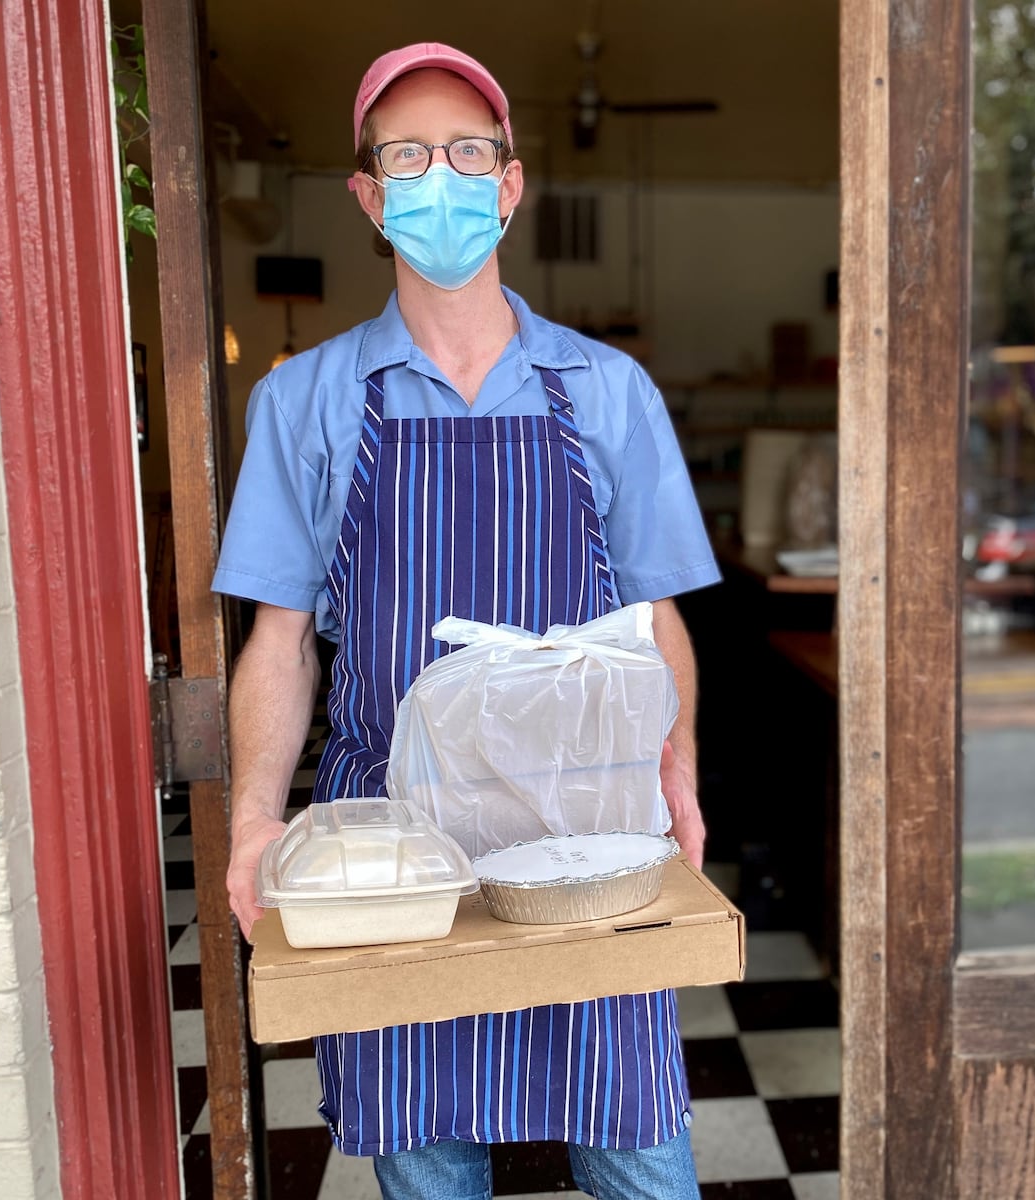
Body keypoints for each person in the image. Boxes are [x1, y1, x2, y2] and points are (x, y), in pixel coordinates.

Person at [212, 42, 720, 1199]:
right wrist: (252, 828)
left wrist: (677, 777)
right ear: (368, 196)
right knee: (430, 1167)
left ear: (508, 183)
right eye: (405, 153)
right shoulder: (306, 400)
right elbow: (280, 644)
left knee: (638, 1151)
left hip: (587, 833)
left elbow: (654, 621)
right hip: (394, 855)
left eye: (466, 150)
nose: (438, 175)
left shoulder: (606, 391)